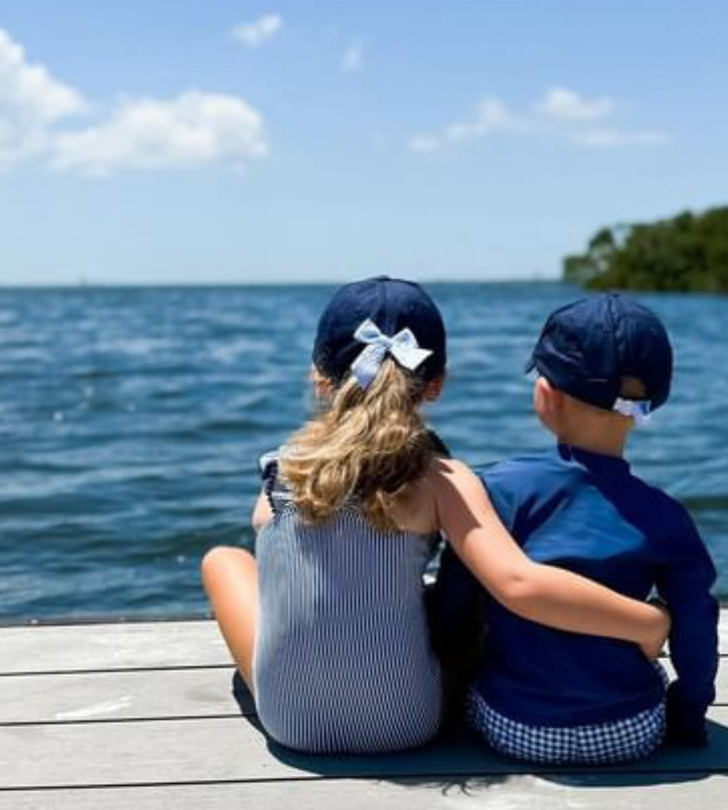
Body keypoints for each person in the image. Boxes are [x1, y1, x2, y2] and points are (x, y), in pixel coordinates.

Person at [200, 276, 671, 755]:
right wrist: (647, 622)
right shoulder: (442, 477)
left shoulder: (284, 469)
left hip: (292, 725)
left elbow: (268, 527)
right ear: (436, 385)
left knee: (223, 560)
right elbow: (519, 586)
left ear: (319, 378)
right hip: (409, 722)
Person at [431, 292, 719, 764]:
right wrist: (687, 716)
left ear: (546, 397)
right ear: (652, 403)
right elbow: (697, 628)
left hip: (515, 727)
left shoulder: (496, 490)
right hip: (629, 732)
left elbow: (455, 615)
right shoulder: (665, 514)